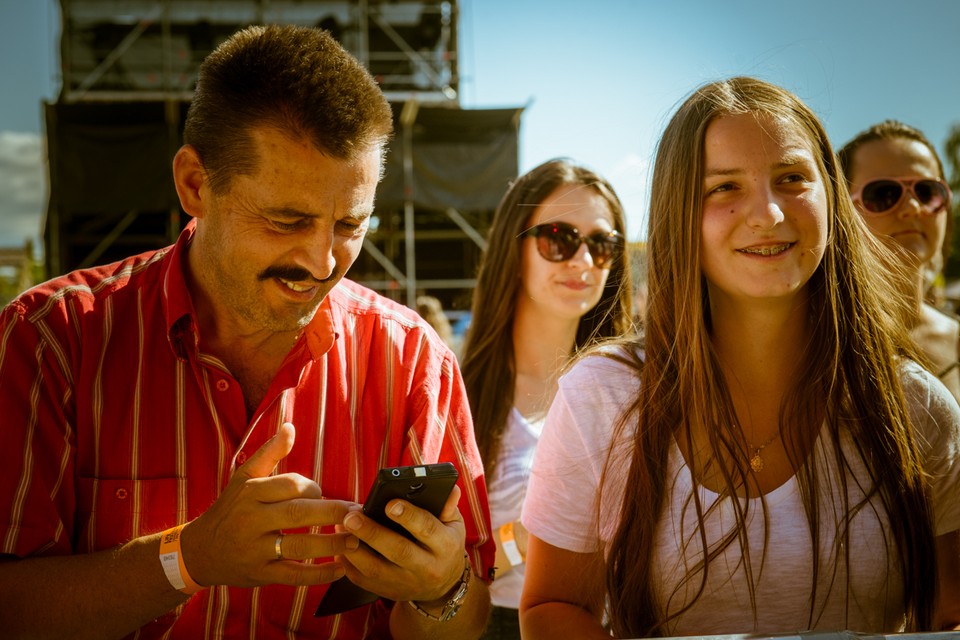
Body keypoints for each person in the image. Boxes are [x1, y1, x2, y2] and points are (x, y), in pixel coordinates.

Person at [0, 25, 493, 639]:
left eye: (349, 223)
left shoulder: (413, 360)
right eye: (287, 221)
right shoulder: (52, 339)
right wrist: (191, 558)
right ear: (195, 185)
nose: (321, 261)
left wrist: (441, 590)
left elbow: (468, 620)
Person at [518, 77, 960, 638]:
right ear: (677, 213)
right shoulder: (601, 397)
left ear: (831, 197)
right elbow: (552, 608)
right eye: (724, 187)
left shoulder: (916, 406)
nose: (768, 213)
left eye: (792, 178)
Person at [459, 158, 634, 639]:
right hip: (493, 626)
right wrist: (530, 538)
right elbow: (450, 572)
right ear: (514, 246)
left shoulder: (636, 387)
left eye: (601, 244)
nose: (581, 260)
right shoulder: (455, 390)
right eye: (559, 238)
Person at [838, 120, 960, 401]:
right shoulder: (816, 344)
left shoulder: (956, 342)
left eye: (927, 192)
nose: (912, 208)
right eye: (883, 194)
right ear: (840, 210)